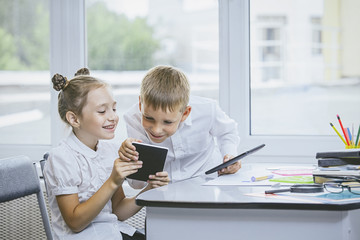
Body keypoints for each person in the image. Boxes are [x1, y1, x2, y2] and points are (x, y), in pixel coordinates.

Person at [43, 68, 169, 240]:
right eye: (102, 111)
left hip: (113, 233)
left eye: (114, 109)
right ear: (74, 119)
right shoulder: (61, 158)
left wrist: (148, 189)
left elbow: (119, 212)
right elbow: (75, 222)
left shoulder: (110, 151)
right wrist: (113, 181)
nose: (113, 117)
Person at [119, 65, 240, 185]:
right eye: (149, 118)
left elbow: (227, 132)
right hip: (162, 190)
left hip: (206, 182)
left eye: (167, 122)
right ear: (140, 104)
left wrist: (229, 155)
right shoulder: (133, 118)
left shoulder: (208, 109)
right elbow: (136, 184)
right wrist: (130, 159)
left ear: (185, 113)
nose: (156, 130)